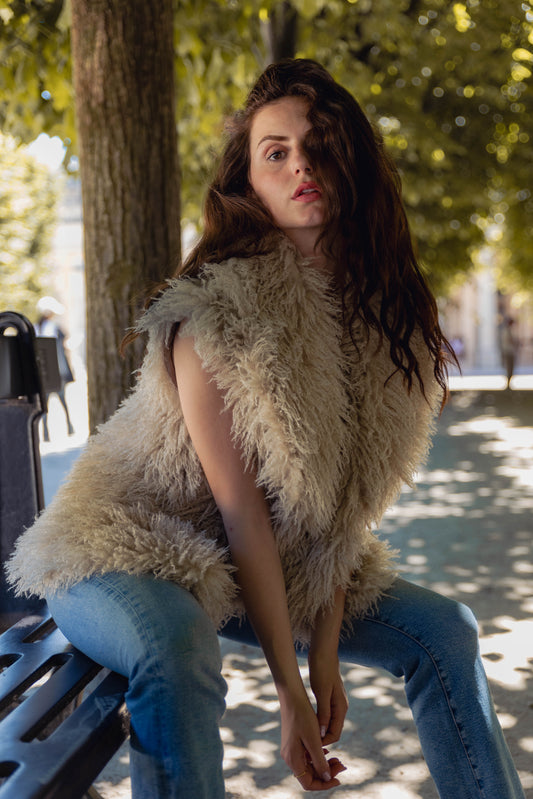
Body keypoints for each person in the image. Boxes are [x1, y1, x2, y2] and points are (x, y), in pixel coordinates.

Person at [7, 59, 524, 799]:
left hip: (257, 568)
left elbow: (338, 516)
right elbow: (241, 512)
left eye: (318, 145)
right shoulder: (213, 313)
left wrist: (325, 656)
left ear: (351, 161)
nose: (300, 165)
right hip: (118, 549)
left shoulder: (377, 319)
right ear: (248, 183)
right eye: (275, 152)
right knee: (177, 642)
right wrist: (291, 694)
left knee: (447, 632)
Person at [35, 296, 75, 440]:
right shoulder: (53, 328)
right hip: (57, 371)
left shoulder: (36, 328)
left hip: (43, 372)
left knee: (45, 404)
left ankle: (46, 433)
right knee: (62, 400)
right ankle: (69, 427)